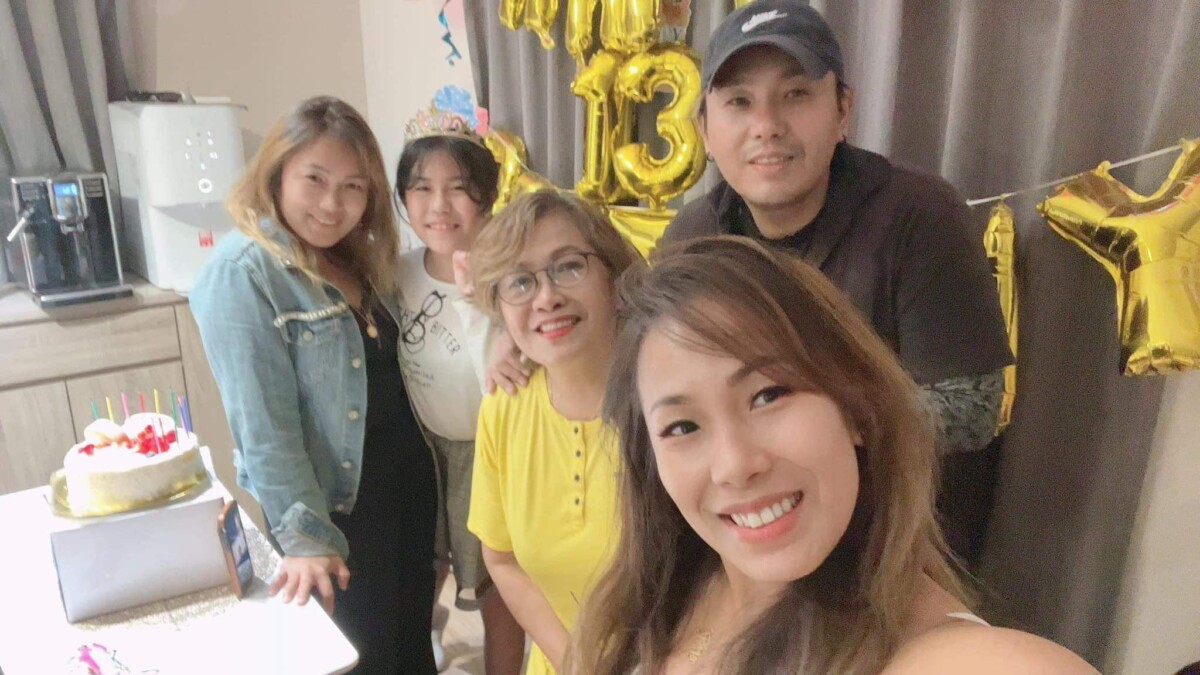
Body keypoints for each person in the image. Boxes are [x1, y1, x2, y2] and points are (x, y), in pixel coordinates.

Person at [568, 236, 1098, 674]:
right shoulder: (654, 608)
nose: (735, 464)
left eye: (768, 395)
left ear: (856, 407)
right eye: (683, 427)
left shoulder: (957, 659)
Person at [665, 0, 1012, 563]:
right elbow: (654, 382)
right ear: (704, 128)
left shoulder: (919, 214)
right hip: (748, 538)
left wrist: (801, 421)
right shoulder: (693, 238)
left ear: (842, 109)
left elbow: (973, 409)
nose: (766, 126)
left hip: (893, 550)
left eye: (795, 95)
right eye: (739, 102)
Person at [191, 96, 437, 673]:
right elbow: (263, 428)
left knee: (409, 651)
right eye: (315, 179)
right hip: (336, 514)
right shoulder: (242, 272)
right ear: (276, 173)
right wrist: (306, 539)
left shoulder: (356, 259)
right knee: (358, 658)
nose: (332, 204)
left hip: (405, 497)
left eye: (353, 187)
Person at [463, 190, 641, 674]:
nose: (546, 298)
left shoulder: (666, 403)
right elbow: (502, 560)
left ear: (612, 276)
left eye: (569, 267)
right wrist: (577, 662)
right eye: (520, 282)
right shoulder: (504, 407)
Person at [394, 107, 525, 674]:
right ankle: (427, 649)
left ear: (487, 196)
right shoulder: (396, 272)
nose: (439, 206)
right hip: (423, 447)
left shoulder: (510, 275)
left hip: (490, 455)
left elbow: (504, 378)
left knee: (497, 585)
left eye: (458, 188)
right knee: (426, 566)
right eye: (422, 188)